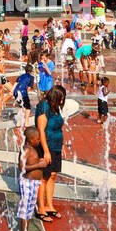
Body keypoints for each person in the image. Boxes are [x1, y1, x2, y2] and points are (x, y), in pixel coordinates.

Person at [35, 85, 67, 222]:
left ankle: (49, 205)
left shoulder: (55, 107)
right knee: (44, 177)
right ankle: (41, 208)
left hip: (56, 146)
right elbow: (41, 130)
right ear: (55, 97)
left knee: (52, 175)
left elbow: (58, 127)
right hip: (46, 146)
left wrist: (62, 145)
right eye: (61, 99)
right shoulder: (43, 106)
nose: (62, 101)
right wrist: (46, 151)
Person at [15, 126, 48, 231]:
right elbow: (21, 167)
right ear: (30, 140)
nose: (39, 141)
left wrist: (39, 162)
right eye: (37, 139)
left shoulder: (31, 148)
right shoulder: (26, 149)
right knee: (25, 210)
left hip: (33, 183)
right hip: (27, 183)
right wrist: (39, 165)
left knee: (29, 210)